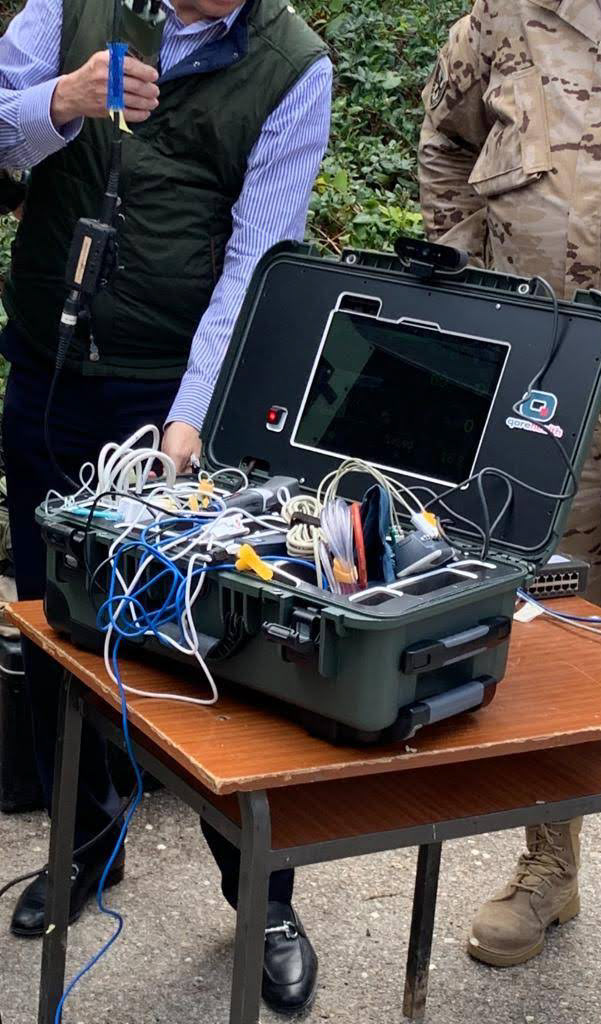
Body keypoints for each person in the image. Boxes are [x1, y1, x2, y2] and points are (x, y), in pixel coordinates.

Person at [0, 0, 331, 1012]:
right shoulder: (69, 6)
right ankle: (87, 843)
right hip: (49, 372)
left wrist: (191, 420)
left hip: (174, 394)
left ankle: (262, 895)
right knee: (56, 628)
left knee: (215, 652)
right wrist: (61, 101)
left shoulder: (291, 66)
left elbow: (257, 262)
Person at [419, 0, 601, 970]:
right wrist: (470, 298)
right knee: (551, 639)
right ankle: (549, 867)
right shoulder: (500, 21)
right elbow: (445, 142)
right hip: (543, 384)